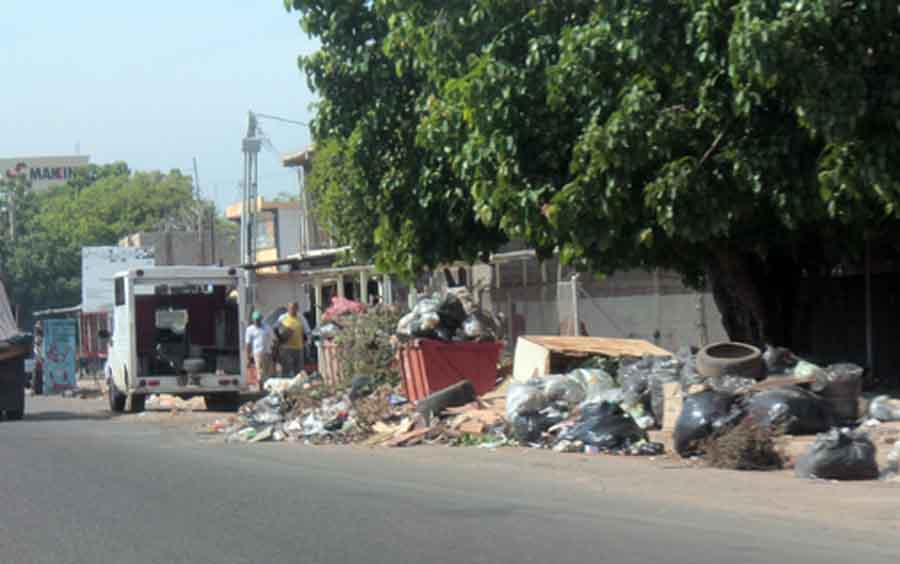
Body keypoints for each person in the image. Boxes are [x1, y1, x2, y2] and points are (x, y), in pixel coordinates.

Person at [277, 301, 311, 379]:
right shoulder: (282, 318)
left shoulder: (301, 318)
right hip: (286, 348)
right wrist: (281, 337)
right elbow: (276, 329)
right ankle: (285, 387)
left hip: (298, 348)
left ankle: (298, 387)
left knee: (299, 371)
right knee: (286, 369)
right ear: (288, 309)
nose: (293, 310)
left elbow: (307, 331)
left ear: (297, 309)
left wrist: (307, 344)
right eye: (291, 308)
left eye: (295, 308)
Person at [245, 311, 273, 391]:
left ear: (261, 319)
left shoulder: (267, 327)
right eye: (256, 320)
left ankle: (268, 388)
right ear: (253, 320)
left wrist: (273, 351)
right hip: (257, 353)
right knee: (260, 371)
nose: (257, 321)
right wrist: (248, 357)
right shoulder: (250, 329)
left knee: (268, 371)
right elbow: (248, 344)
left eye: (259, 319)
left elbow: (272, 339)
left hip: (267, 352)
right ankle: (260, 388)